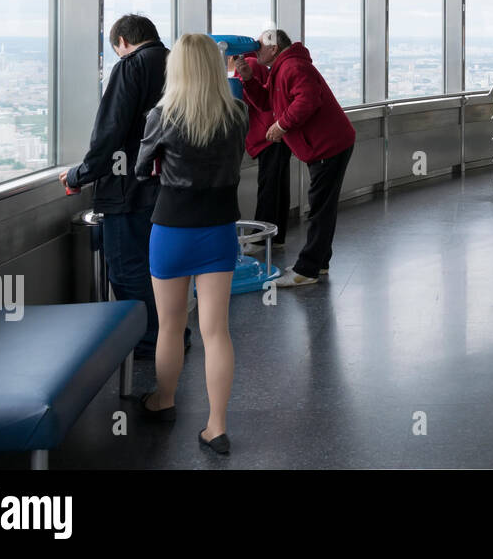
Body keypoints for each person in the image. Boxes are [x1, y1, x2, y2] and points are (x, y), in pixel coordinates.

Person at [134, 33, 248, 455]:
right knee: (216, 332)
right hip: (218, 228)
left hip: (171, 229)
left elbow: (141, 169)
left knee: (170, 324)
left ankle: (163, 400)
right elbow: (236, 162)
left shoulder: (162, 115)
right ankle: (216, 427)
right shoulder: (238, 113)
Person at [60, 14, 188, 359]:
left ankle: (150, 342)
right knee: (161, 267)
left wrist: (81, 174)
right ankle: (176, 335)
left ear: (123, 43)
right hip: (171, 186)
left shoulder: (130, 66)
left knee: (128, 268)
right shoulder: (179, 64)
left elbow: (111, 130)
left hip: (128, 188)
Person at [235, 29, 354, 287]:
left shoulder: (293, 67)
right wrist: (248, 80)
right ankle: (319, 262)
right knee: (323, 206)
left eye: (260, 47)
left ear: (274, 48)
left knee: (320, 208)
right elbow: (267, 102)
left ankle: (307, 270)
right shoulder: (282, 69)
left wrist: (282, 126)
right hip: (325, 145)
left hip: (328, 146)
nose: (256, 51)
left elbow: (308, 100)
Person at [234, 37, 292, 253]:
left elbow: (244, 101)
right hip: (276, 134)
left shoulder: (249, 66)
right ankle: (277, 236)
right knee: (278, 186)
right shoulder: (257, 65)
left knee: (268, 188)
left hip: (268, 135)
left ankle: (260, 239)